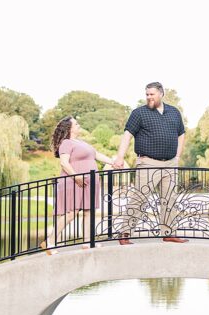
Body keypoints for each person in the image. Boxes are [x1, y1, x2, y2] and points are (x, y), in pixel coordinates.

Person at [112, 81, 188, 244]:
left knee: (169, 199)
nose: (149, 97)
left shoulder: (174, 112)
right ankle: (125, 233)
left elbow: (181, 134)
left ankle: (169, 232)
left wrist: (177, 156)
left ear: (161, 94)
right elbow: (127, 135)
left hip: (170, 164)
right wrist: (120, 157)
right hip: (148, 162)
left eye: (152, 94)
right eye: (147, 94)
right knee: (140, 197)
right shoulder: (139, 113)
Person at [40, 116, 114, 254]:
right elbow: (64, 163)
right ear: (69, 128)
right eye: (76, 124)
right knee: (71, 213)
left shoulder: (81, 142)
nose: (79, 125)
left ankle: (88, 242)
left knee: (88, 211)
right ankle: (50, 241)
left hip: (88, 183)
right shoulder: (66, 143)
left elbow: (96, 155)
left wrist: (113, 162)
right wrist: (76, 176)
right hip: (74, 182)